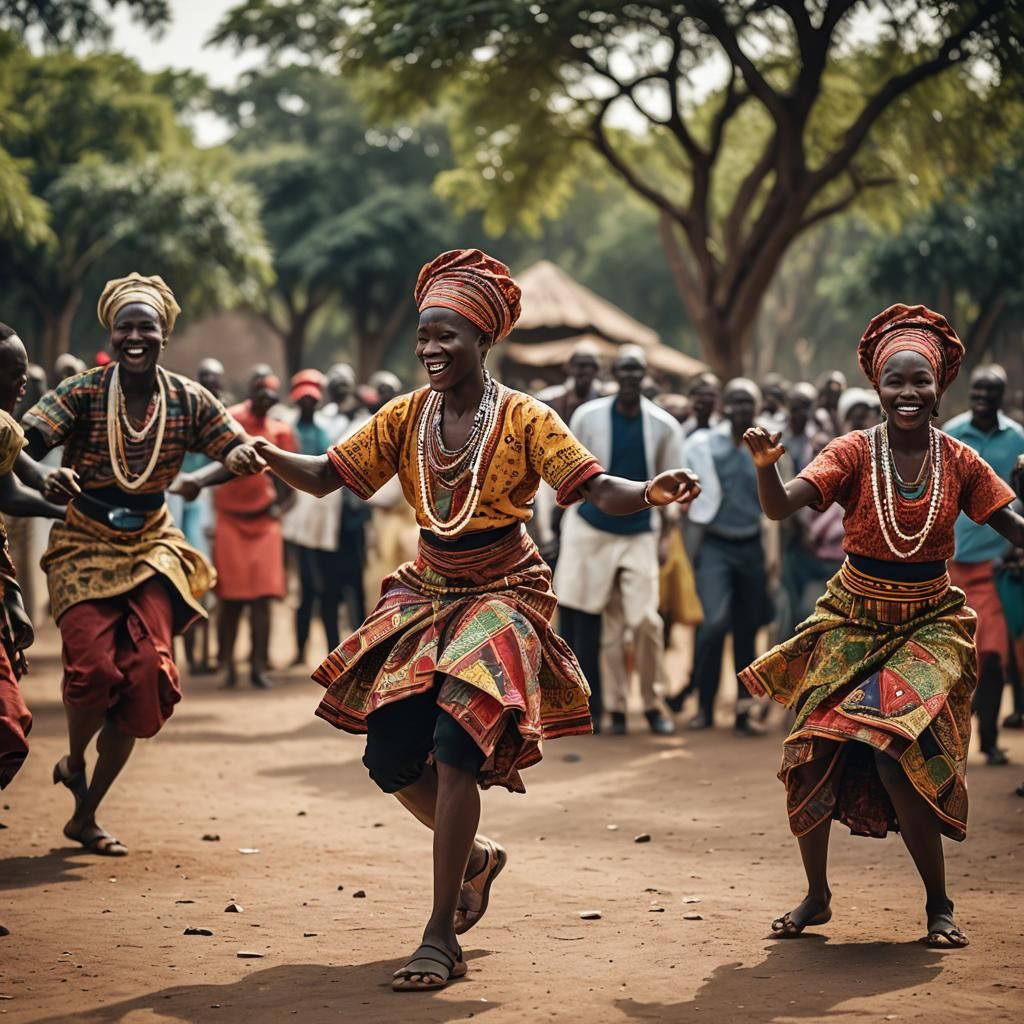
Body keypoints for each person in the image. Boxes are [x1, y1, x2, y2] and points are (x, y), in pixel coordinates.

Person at [249, 248, 700, 992]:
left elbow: (591, 486)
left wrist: (649, 491)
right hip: (425, 589)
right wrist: (266, 453)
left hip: (504, 591)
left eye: (448, 336)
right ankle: (479, 859)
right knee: (389, 757)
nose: (431, 348)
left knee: (456, 745)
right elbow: (329, 476)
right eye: (424, 334)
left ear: (483, 341)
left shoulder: (527, 419)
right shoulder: (404, 416)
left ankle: (437, 936)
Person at [741, 303, 1024, 947]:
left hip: (930, 624)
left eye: (919, 382)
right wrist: (765, 467)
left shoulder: (961, 459)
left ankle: (939, 905)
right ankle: (816, 896)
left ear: (938, 388)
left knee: (896, 749)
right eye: (895, 382)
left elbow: (1013, 527)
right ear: (877, 387)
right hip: (852, 617)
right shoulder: (850, 452)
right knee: (808, 752)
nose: (908, 394)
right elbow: (783, 506)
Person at [21, 273, 265, 855]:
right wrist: (44, 476)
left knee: (147, 679)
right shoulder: (81, 392)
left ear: (163, 334)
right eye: (125, 326)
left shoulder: (187, 398)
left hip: (152, 544)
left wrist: (205, 476)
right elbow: (22, 442)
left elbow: (234, 448)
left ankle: (86, 814)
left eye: (146, 327)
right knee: (93, 672)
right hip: (83, 539)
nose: (135, 336)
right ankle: (76, 759)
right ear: (112, 332)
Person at [554, 346, 684, 736]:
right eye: (624, 371)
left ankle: (653, 701)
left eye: (637, 371)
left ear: (645, 376)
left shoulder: (664, 425)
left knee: (645, 619)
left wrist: (668, 535)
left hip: (640, 531)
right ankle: (614, 708)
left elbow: (673, 487)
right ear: (614, 374)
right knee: (608, 625)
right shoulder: (588, 416)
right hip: (592, 528)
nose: (630, 377)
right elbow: (569, 472)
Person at [681, 378, 773, 734]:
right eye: (734, 401)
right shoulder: (704, 445)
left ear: (758, 407)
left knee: (747, 630)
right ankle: (704, 707)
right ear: (724, 405)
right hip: (715, 545)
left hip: (751, 544)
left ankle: (742, 712)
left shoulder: (765, 445)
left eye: (747, 402)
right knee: (714, 623)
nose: (740, 408)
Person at [944, 365, 1024, 766]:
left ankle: (988, 740)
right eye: (976, 390)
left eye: (990, 391)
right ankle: (949, 745)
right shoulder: (953, 434)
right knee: (953, 658)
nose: (982, 397)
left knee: (990, 656)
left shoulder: (1017, 438)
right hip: (949, 565)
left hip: (994, 566)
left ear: (1001, 397)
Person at [0, 326, 67, 790]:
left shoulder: (5, 427)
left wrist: (59, 501)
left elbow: (21, 482)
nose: (24, 384)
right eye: (16, 373)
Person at [212, 372, 296, 689]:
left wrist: (281, 508)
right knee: (230, 599)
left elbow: (292, 477)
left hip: (264, 522)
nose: (264, 396)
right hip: (230, 519)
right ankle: (228, 665)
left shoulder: (280, 430)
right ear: (250, 390)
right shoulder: (231, 420)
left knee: (263, 599)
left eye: (270, 392)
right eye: (259, 389)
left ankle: (258, 665)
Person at [282, 370, 341, 663]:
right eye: (302, 397)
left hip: (324, 521)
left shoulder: (325, 432)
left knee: (328, 589)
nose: (307, 402)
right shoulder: (287, 430)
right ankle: (300, 650)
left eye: (311, 397)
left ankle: (333, 650)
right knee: (306, 589)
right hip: (296, 520)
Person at [536, 342, 603, 422]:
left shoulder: (603, 397)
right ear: (569, 368)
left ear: (597, 369)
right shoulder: (552, 398)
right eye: (581, 366)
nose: (587, 370)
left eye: (591, 366)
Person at [681, 372, 721, 437]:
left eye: (711, 395)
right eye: (701, 394)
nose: (707, 399)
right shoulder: (682, 430)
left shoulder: (722, 430)